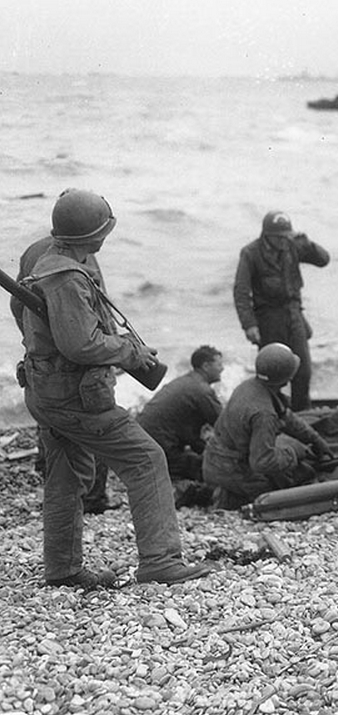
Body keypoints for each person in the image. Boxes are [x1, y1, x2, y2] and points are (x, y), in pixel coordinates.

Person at [19, 189, 210, 589]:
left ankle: (63, 569)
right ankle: (159, 561)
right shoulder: (68, 278)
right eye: (103, 229)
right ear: (93, 234)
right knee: (146, 459)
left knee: (65, 475)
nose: (106, 236)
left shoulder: (42, 257)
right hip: (75, 398)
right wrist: (130, 352)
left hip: (45, 388)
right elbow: (81, 344)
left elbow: (23, 313)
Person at [12, 232, 121, 514]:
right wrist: (114, 348)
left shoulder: (35, 250)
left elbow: (17, 304)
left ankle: (54, 486)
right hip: (82, 360)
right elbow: (100, 307)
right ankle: (94, 498)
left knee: (52, 427)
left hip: (44, 360)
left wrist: (33, 341)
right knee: (100, 422)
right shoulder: (80, 255)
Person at [202, 343, 334, 508]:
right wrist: (294, 452)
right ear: (287, 379)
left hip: (215, 460)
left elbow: (286, 416)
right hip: (230, 471)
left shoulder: (250, 386)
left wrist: (315, 439)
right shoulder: (264, 414)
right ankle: (226, 496)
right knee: (285, 491)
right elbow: (263, 462)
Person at [233, 210, 330, 411]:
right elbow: (241, 292)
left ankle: (303, 416)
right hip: (268, 318)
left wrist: (306, 242)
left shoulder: (292, 246)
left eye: (287, 236)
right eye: (280, 237)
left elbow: (323, 260)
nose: (284, 241)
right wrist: (249, 325)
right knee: (272, 372)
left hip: (294, 314)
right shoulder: (250, 253)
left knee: (302, 371)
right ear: (268, 235)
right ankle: (269, 415)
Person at [137, 345, 224, 507]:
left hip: (144, 441)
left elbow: (187, 429)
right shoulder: (202, 390)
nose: (223, 368)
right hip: (158, 447)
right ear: (206, 366)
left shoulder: (187, 381)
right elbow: (225, 425)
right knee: (206, 469)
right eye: (219, 364)